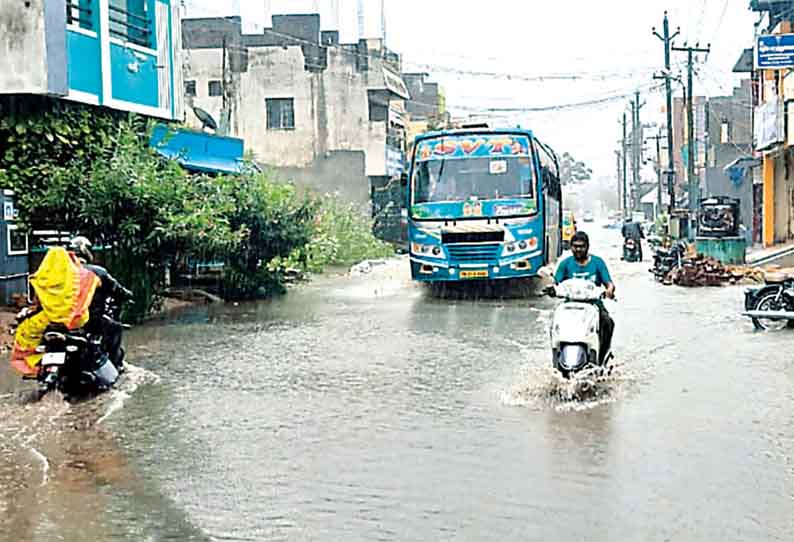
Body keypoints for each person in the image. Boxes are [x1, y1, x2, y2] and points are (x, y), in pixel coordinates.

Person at [68, 236, 133, 370]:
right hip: (91, 320)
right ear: (87, 252)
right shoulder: (98, 272)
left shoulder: (60, 272)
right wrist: (127, 295)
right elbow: (118, 290)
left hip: (60, 320)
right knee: (115, 329)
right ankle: (116, 365)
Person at [553, 231, 616, 363]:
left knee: (608, 322)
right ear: (571, 247)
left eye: (581, 246)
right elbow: (555, 282)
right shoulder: (565, 264)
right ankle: (556, 357)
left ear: (587, 246)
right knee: (554, 325)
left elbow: (608, 283)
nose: (578, 249)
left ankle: (602, 357)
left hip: (593, 306)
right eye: (575, 246)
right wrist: (551, 288)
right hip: (569, 307)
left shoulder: (597, 263)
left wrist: (609, 290)